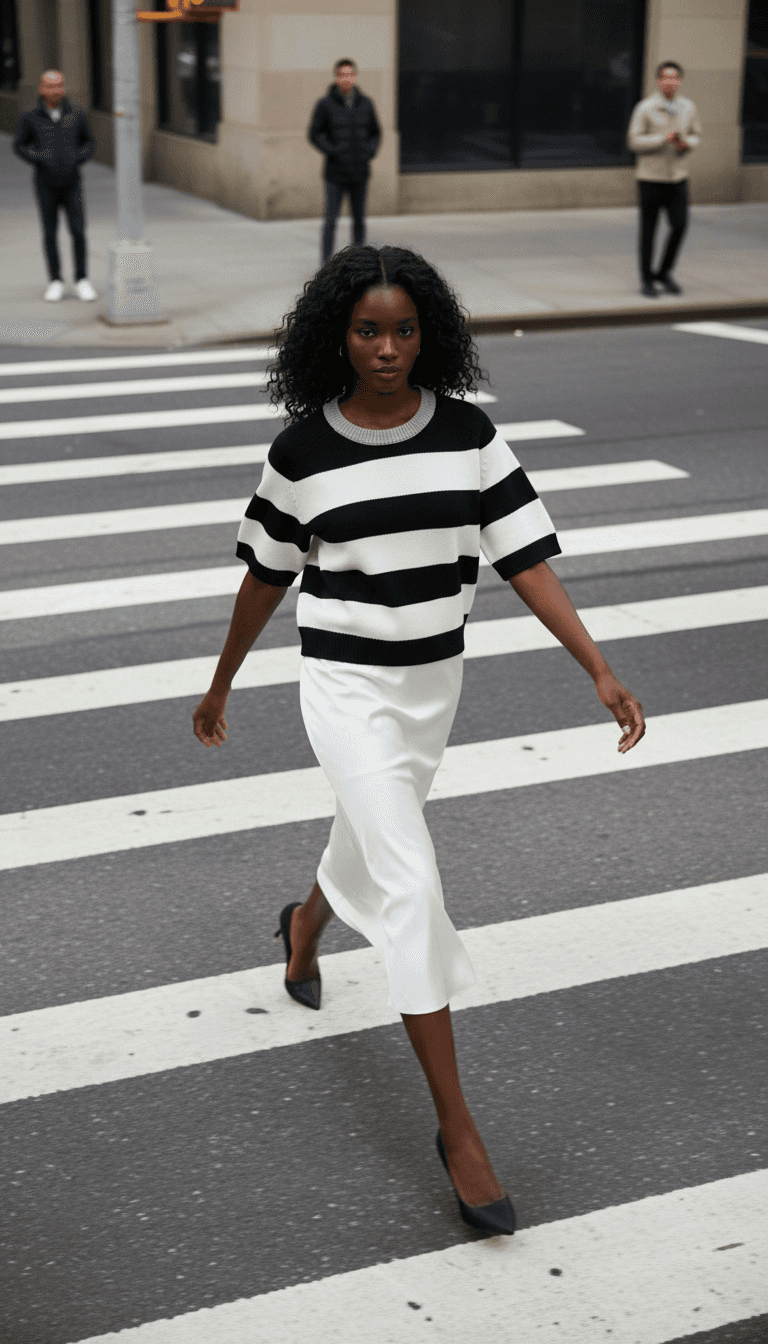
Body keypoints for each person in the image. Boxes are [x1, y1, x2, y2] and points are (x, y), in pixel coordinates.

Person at [192, 245, 645, 1236]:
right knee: (409, 884)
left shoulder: (472, 436)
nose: (388, 348)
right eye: (368, 330)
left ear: (426, 332)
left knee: (373, 838)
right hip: (345, 687)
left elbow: (523, 558)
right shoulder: (303, 454)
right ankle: (459, 1130)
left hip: (432, 685)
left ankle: (305, 926)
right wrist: (222, 677)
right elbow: (266, 578)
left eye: (404, 330)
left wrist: (596, 666)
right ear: (336, 337)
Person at [13, 69, 97, 303]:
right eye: (49, 86)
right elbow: (19, 144)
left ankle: (82, 279)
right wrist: (38, 157)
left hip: (72, 182)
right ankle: (55, 281)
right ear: (41, 89)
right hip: (45, 183)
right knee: (50, 233)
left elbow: (89, 141)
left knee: (78, 231)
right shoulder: (31, 116)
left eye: (58, 85)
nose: (54, 90)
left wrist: (77, 158)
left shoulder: (76, 114)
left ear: (63, 88)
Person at [627, 61, 702, 298]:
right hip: (650, 178)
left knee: (680, 225)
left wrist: (685, 143)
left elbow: (696, 135)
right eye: (666, 78)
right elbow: (634, 141)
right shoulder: (645, 108)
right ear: (659, 81)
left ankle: (664, 272)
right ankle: (647, 278)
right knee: (648, 230)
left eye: (675, 78)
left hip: (677, 176)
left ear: (679, 81)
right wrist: (661, 139)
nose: (670, 82)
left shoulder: (688, 107)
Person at [309, 58, 381, 263]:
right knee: (331, 220)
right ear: (336, 78)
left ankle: (360, 263)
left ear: (355, 77)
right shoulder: (325, 104)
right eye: (342, 75)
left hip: (360, 172)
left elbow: (376, 133)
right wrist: (333, 151)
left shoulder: (366, 103)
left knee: (359, 221)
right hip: (335, 173)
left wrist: (369, 152)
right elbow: (314, 134)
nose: (346, 79)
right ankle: (326, 265)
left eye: (349, 74)